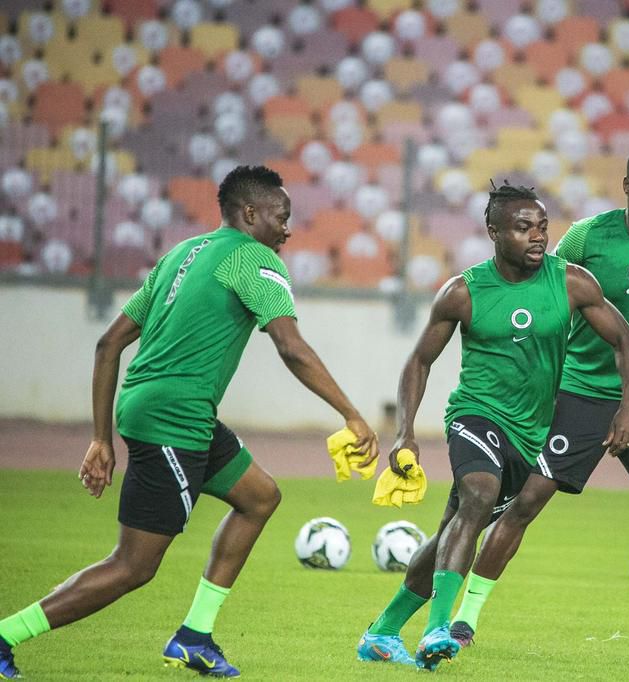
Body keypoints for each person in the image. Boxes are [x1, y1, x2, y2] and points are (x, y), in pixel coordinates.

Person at [0, 165, 377, 680]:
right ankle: (5, 636)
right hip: (174, 420)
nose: (287, 229)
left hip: (160, 408)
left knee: (260, 496)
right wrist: (352, 415)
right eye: (281, 216)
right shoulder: (255, 259)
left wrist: (100, 438)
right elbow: (290, 346)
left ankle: (194, 637)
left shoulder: (182, 253)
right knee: (132, 567)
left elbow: (108, 343)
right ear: (250, 214)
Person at [449, 146, 629, 661]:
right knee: (526, 501)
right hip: (577, 391)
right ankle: (464, 622)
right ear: (627, 185)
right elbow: (547, 290)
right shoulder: (588, 237)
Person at [355, 183, 629, 671]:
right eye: (524, 227)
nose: (538, 237)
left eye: (543, 227)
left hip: (529, 435)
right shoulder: (464, 292)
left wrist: (628, 408)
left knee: (452, 530)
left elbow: (626, 340)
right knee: (479, 496)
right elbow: (419, 361)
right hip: (475, 415)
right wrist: (405, 432)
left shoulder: (572, 283)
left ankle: (381, 633)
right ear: (494, 232)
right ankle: (438, 630)